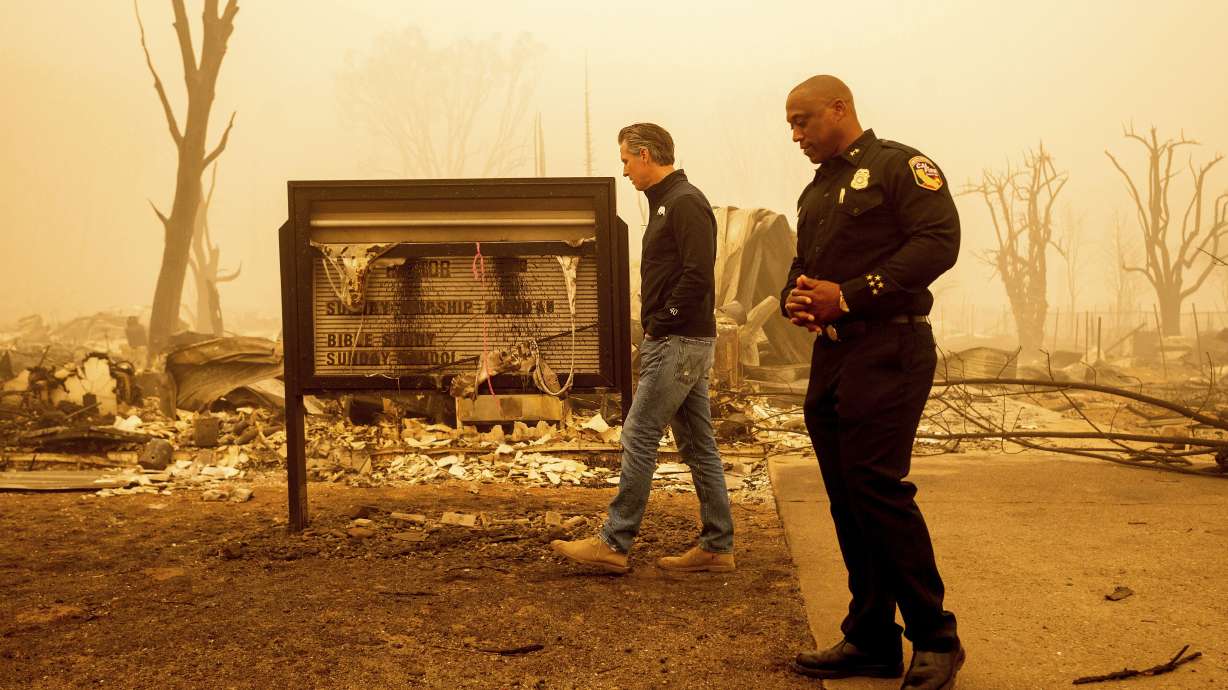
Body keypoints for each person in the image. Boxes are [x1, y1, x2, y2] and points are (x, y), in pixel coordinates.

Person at [780, 75, 964, 689]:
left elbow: (939, 242)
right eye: (790, 125)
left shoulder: (900, 167)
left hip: (891, 347)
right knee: (846, 496)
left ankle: (935, 637)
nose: (797, 134)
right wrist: (796, 297)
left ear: (841, 107)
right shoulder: (818, 190)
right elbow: (806, 266)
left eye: (804, 120)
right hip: (835, 357)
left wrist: (852, 297)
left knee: (877, 489)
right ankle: (871, 638)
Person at [550, 123, 735, 574]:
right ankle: (717, 545)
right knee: (698, 445)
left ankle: (614, 542)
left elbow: (698, 274)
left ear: (647, 155)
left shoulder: (685, 203)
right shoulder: (667, 205)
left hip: (678, 341)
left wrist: (661, 322)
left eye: (627, 161)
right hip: (681, 340)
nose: (626, 171)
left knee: (638, 434)